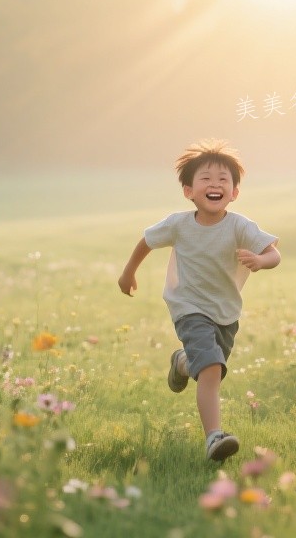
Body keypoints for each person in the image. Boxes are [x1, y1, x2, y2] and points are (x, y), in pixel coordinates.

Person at [118, 139, 280, 461]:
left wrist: (261, 260)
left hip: (225, 312)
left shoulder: (239, 225)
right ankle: (214, 438)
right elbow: (146, 241)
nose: (215, 184)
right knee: (211, 369)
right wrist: (128, 273)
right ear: (189, 190)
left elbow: (273, 253)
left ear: (234, 192)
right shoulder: (178, 224)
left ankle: (182, 361)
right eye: (206, 178)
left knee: (207, 365)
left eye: (223, 180)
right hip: (188, 307)